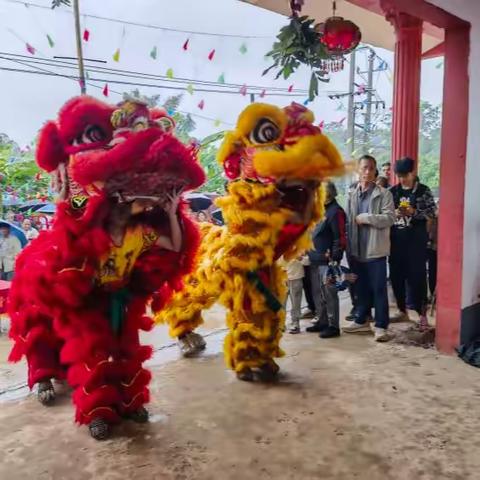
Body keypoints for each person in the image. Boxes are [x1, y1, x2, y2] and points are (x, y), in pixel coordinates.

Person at [344, 155, 395, 342]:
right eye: (364, 168)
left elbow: (390, 218)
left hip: (375, 251)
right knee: (360, 288)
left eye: (371, 168)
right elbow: (348, 222)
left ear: (375, 171)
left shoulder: (384, 194)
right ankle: (361, 320)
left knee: (379, 289)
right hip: (356, 250)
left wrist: (366, 217)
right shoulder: (351, 194)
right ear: (358, 170)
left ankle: (381, 326)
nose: (367, 172)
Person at [389, 157, 436, 329]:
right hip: (396, 242)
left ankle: (422, 313)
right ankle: (402, 310)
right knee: (396, 276)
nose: (402, 179)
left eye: (405, 175)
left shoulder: (423, 190)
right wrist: (394, 213)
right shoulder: (393, 191)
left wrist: (414, 212)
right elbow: (385, 213)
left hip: (416, 242)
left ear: (413, 172)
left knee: (417, 277)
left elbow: (432, 212)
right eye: (399, 176)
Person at [306, 181, 347, 338]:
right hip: (314, 257)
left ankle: (333, 325)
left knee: (329, 293)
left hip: (328, 259)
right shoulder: (319, 210)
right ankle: (322, 320)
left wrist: (335, 257)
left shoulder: (336, 211)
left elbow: (340, 237)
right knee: (317, 293)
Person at [279, 255, 308, 334]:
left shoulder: (300, 246)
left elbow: (308, 261)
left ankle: (296, 324)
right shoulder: (280, 246)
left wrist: (300, 258)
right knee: (281, 303)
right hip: (282, 278)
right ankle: (281, 324)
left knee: (296, 303)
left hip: (296, 278)